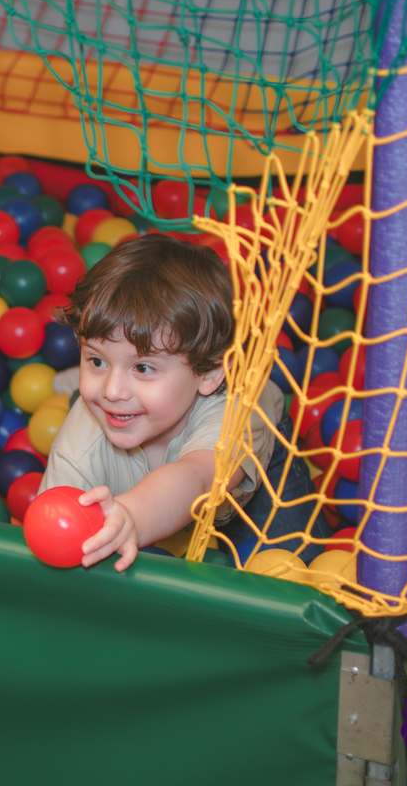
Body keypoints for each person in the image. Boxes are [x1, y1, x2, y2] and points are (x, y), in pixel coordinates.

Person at [37, 234, 327, 571]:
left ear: (209, 374)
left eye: (142, 367)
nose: (112, 391)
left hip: (251, 475)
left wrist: (130, 515)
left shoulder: (231, 412)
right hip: (138, 448)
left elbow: (197, 478)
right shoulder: (80, 443)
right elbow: (56, 529)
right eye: (97, 360)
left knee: (294, 570)